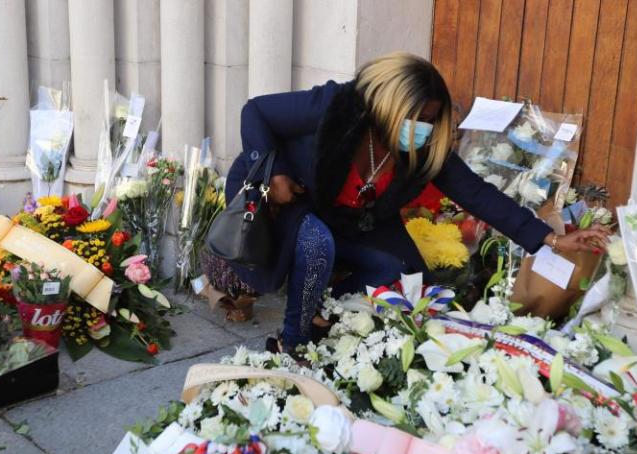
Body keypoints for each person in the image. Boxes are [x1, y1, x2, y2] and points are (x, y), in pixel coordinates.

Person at [224, 52, 609, 353]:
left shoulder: (424, 148)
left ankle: (327, 311)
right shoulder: (338, 106)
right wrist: (271, 175)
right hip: (285, 199)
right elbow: (255, 110)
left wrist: (551, 240)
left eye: (431, 119)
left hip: (346, 219)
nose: (423, 128)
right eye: (416, 117)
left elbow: (478, 194)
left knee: (397, 269)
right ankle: (293, 339)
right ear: (390, 105)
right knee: (314, 242)